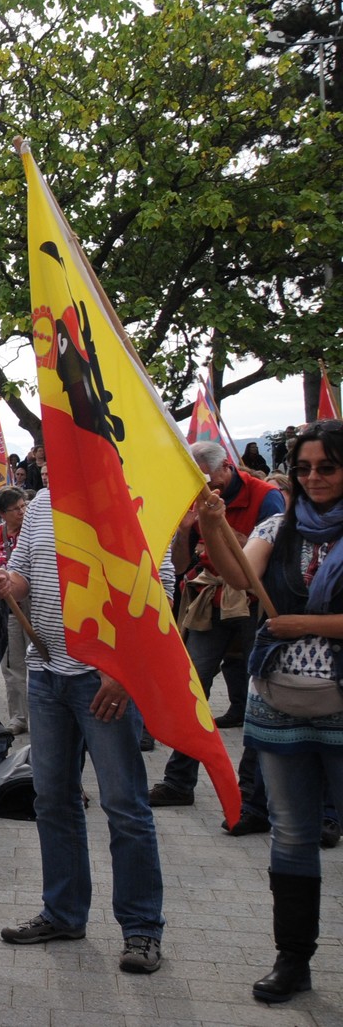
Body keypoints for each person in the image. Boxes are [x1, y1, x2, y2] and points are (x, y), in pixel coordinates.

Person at [0, 488, 169, 974]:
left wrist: (125, 669)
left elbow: (160, 587)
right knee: (52, 800)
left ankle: (142, 928)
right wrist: (9, 582)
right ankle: (63, 913)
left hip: (106, 678)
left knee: (124, 805)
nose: (48, 459)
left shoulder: (133, 490)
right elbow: (24, 567)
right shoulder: (43, 501)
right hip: (46, 674)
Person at [197, 419, 343, 1004]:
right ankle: (292, 961)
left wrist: (303, 624)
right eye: (304, 467)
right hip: (278, 702)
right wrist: (210, 521)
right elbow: (238, 576)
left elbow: (289, 616)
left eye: (327, 467)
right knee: (291, 835)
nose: (313, 477)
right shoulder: (278, 526)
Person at [150, 442, 281, 814]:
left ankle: (252, 795)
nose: (199, 489)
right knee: (193, 686)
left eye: (203, 480)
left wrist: (219, 526)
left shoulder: (266, 497)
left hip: (254, 602)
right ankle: (179, 781)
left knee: (263, 693)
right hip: (211, 594)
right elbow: (180, 563)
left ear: (224, 470)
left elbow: (270, 553)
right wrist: (186, 531)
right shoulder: (196, 499)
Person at [0, 487, 30, 734]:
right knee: (12, 665)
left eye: (23, 506)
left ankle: (37, 713)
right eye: (15, 509)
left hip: (33, 607)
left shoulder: (32, 532)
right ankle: (18, 717)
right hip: (8, 610)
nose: (21, 512)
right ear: (2, 513)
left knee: (36, 661)